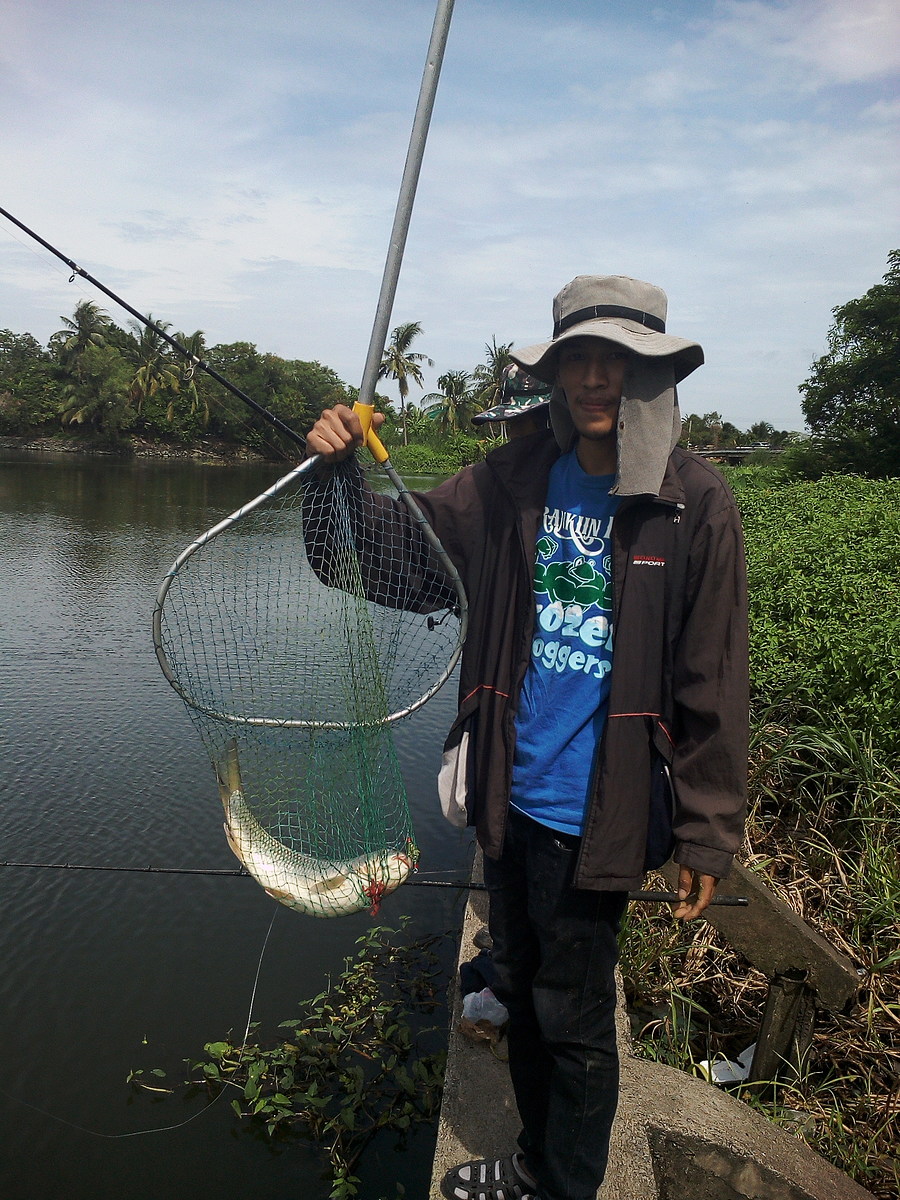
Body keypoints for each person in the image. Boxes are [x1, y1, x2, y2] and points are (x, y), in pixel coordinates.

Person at [305, 274, 749, 1200]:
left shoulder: (690, 502)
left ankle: (555, 1180)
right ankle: (547, 1162)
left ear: (649, 373)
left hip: (605, 812)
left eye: (618, 360)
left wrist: (709, 826)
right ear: (554, 374)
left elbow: (713, 675)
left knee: (572, 1018)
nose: (596, 378)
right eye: (578, 358)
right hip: (508, 797)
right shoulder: (508, 481)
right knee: (521, 994)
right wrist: (332, 475)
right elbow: (388, 563)